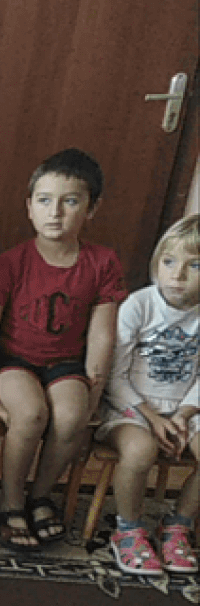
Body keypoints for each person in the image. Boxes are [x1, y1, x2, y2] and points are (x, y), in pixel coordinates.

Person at [0, 148, 126, 551]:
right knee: (30, 414)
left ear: (91, 209)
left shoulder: (102, 263)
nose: (55, 212)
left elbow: (103, 335)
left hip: (66, 363)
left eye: (70, 201)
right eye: (44, 200)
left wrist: (94, 392)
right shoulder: (12, 262)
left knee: (71, 417)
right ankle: (10, 503)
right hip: (14, 362)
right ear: (29, 207)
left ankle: (40, 496)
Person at [94, 214, 199, 575]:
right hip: (131, 406)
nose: (177, 274)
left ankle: (178, 524)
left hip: (185, 409)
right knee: (140, 451)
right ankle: (128, 529)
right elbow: (115, 374)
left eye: (194, 265)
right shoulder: (138, 306)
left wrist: (183, 415)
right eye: (169, 261)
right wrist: (153, 418)